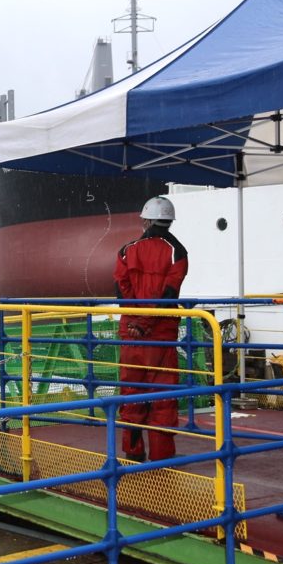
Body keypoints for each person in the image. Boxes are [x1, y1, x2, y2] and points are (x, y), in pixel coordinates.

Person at [113, 196, 189, 462]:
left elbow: (121, 289)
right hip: (161, 337)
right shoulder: (178, 251)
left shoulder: (126, 250)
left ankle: (133, 454)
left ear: (145, 220)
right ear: (169, 221)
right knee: (163, 399)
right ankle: (162, 458)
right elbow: (169, 293)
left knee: (132, 394)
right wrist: (146, 323)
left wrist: (136, 322)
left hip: (131, 335)